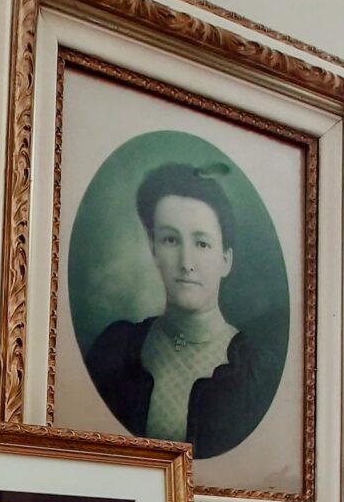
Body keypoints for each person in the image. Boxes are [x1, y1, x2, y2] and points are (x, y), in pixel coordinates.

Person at [84, 162, 273, 459]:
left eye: (202, 243)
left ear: (226, 260)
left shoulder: (257, 370)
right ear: (153, 248)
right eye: (171, 240)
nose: (186, 261)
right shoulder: (114, 350)